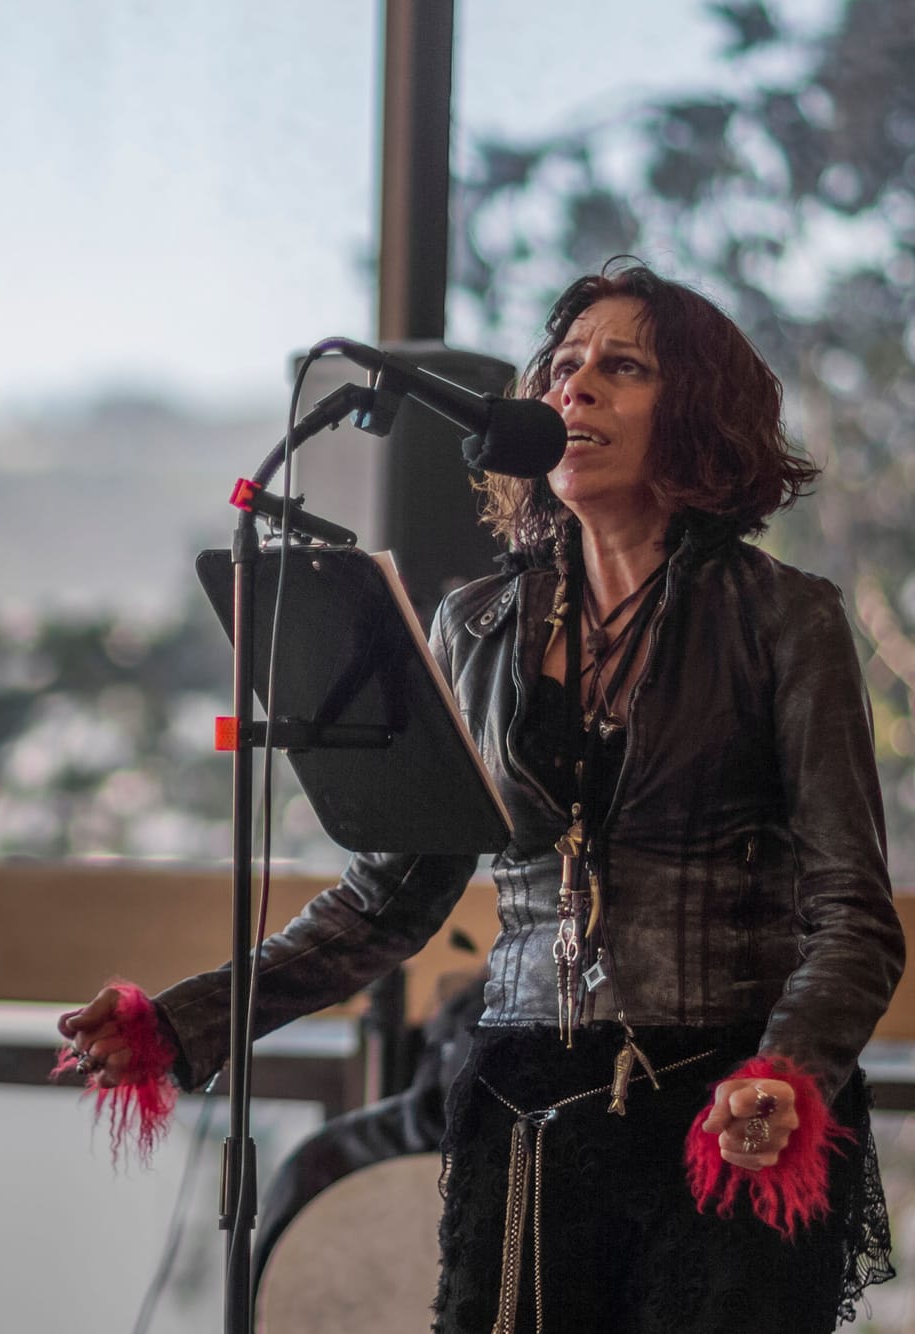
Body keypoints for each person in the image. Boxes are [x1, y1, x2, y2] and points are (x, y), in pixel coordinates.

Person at [60, 262, 903, 1331]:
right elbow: (389, 896)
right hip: (522, 1106)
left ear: (694, 411)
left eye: (621, 366)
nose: (573, 386)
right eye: (560, 366)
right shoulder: (475, 625)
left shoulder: (786, 618)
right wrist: (183, 1018)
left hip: (721, 1108)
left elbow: (852, 916)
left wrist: (787, 1069)